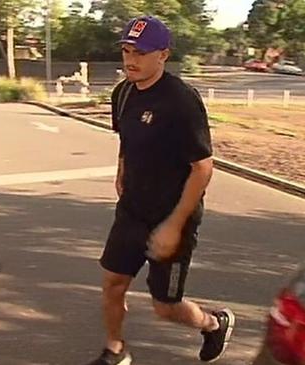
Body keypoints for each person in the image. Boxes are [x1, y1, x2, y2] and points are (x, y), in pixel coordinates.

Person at [86, 16, 235, 365]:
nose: (130, 59)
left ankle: (214, 323)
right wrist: (121, 170)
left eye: (140, 52)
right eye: (125, 50)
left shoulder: (181, 101)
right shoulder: (122, 93)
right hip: (132, 210)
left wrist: (173, 225)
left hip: (172, 215)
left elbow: (203, 168)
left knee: (165, 307)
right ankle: (116, 350)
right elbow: (127, 138)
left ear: (163, 55)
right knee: (112, 284)